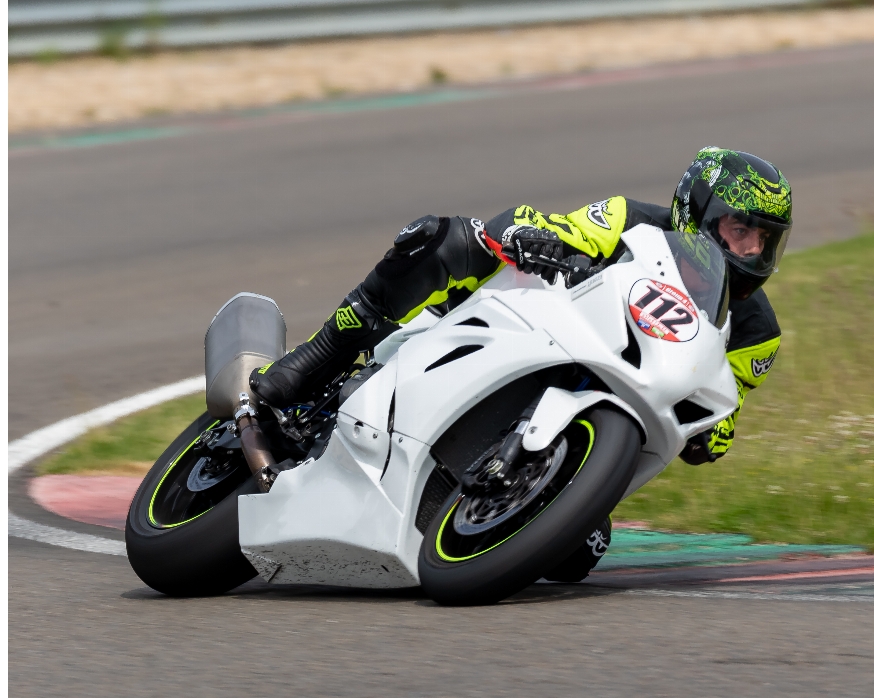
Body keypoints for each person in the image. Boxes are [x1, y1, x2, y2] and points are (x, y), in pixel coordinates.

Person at [249, 147, 792, 580]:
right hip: (529, 327)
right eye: (740, 230)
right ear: (698, 212)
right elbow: (538, 223)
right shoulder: (631, 222)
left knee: (579, 555)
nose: (750, 252)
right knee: (445, 239)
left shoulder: (756, 334)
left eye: (764, 240)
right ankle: (319, 356)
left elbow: (724, 409)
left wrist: (713, 435)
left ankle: (514, 489)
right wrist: (530, 236)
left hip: (615, 403)